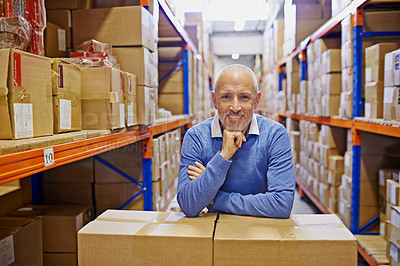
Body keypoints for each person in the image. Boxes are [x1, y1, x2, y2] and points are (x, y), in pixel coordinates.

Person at [177, 64, 295, 218]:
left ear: (256, 101)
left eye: (244, 97)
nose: (235, 107)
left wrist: (214, 198)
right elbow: (188, 204)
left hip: (262, 232)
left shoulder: (275, 135)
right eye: (226, 97)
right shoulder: (196, 137)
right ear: (214, 100)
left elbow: (282, 204)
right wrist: (223, 156)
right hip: (213, 232)